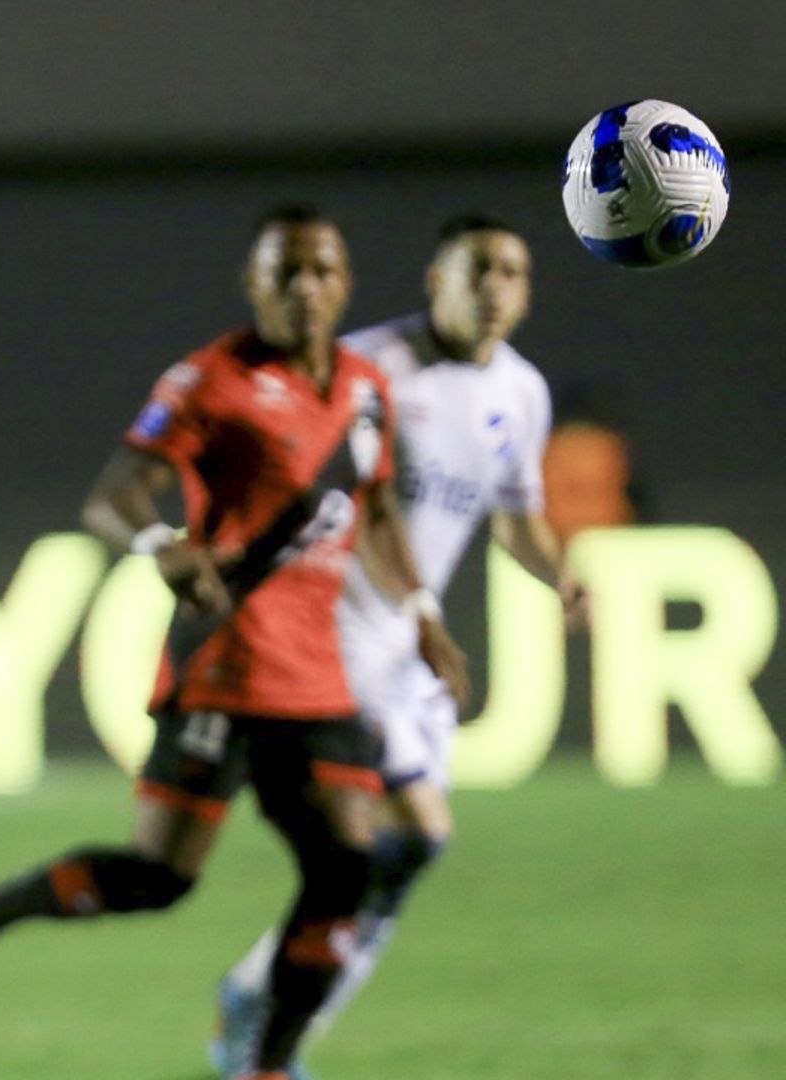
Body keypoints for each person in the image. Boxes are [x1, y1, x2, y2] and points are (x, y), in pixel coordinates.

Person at [0, 204, 468, 1080]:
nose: (305, 288)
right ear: (255, 283)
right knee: (161, 877)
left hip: (317, 675)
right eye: (286, 272)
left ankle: (266, 1060)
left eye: (322, 271)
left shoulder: (363, 389)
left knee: (346, 866)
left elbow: (375, 510)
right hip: (225, 664)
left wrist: (422, 610)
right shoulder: (210, 380)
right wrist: (160, 545)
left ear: (345, 283)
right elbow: (114, 496)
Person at [211, 213, 581, 1077]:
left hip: (409, 647)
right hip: (337, 631)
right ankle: (271, 1034)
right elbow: (344, 499)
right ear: (435, 278)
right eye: (477, 267)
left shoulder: (521, 394)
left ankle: (263, 993)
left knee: (405, 849)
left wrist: (557, 574)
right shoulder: (369, 367)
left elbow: (517, 518)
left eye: (513, 272)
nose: (494, 286)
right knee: (415, 822)